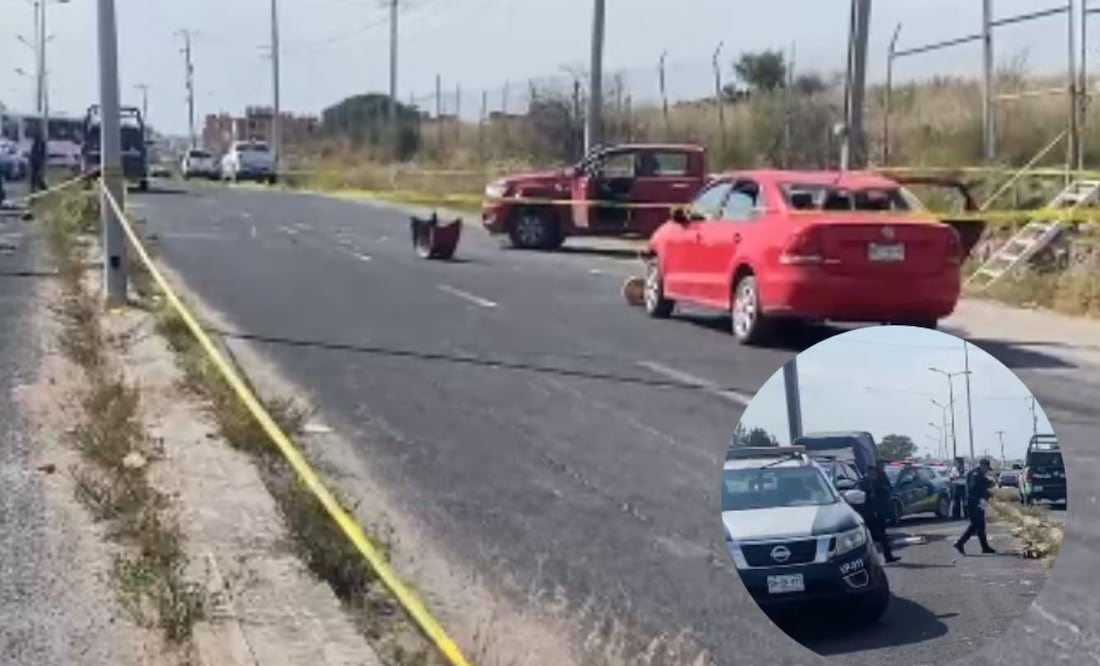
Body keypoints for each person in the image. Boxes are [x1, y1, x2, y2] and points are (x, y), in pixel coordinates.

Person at [954, 458, 997, 555]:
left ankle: (985, 547)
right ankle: (960, 543)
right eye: (986, 468)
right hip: (973, 503)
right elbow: (975, 488)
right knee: (974, 525)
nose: (987, 471)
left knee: (981, 525)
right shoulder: (976, 474)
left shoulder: (976, 474)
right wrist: (985, 491)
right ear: (983, 465)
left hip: (977, 503)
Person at [862, 461, 901, 563]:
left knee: (882, 536)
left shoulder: (880, 482)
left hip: (879, 513)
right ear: (868, 473)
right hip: (868, 515)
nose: (874, 475)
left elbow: (887, 494)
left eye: (875, 473)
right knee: (869, 538)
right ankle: (869, 560)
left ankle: (887, 556)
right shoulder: (863, 484)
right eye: (872, 473)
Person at [29, 129, 47, 194]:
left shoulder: (41, 144)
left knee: (39, 177)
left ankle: (43, 188)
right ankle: (33, 189)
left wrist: (42, 163)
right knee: (34, 177)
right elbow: (32, 153)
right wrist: (31, 161)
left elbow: (43, 154)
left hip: (38, 163)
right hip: (35, 163)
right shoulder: (35, 144)